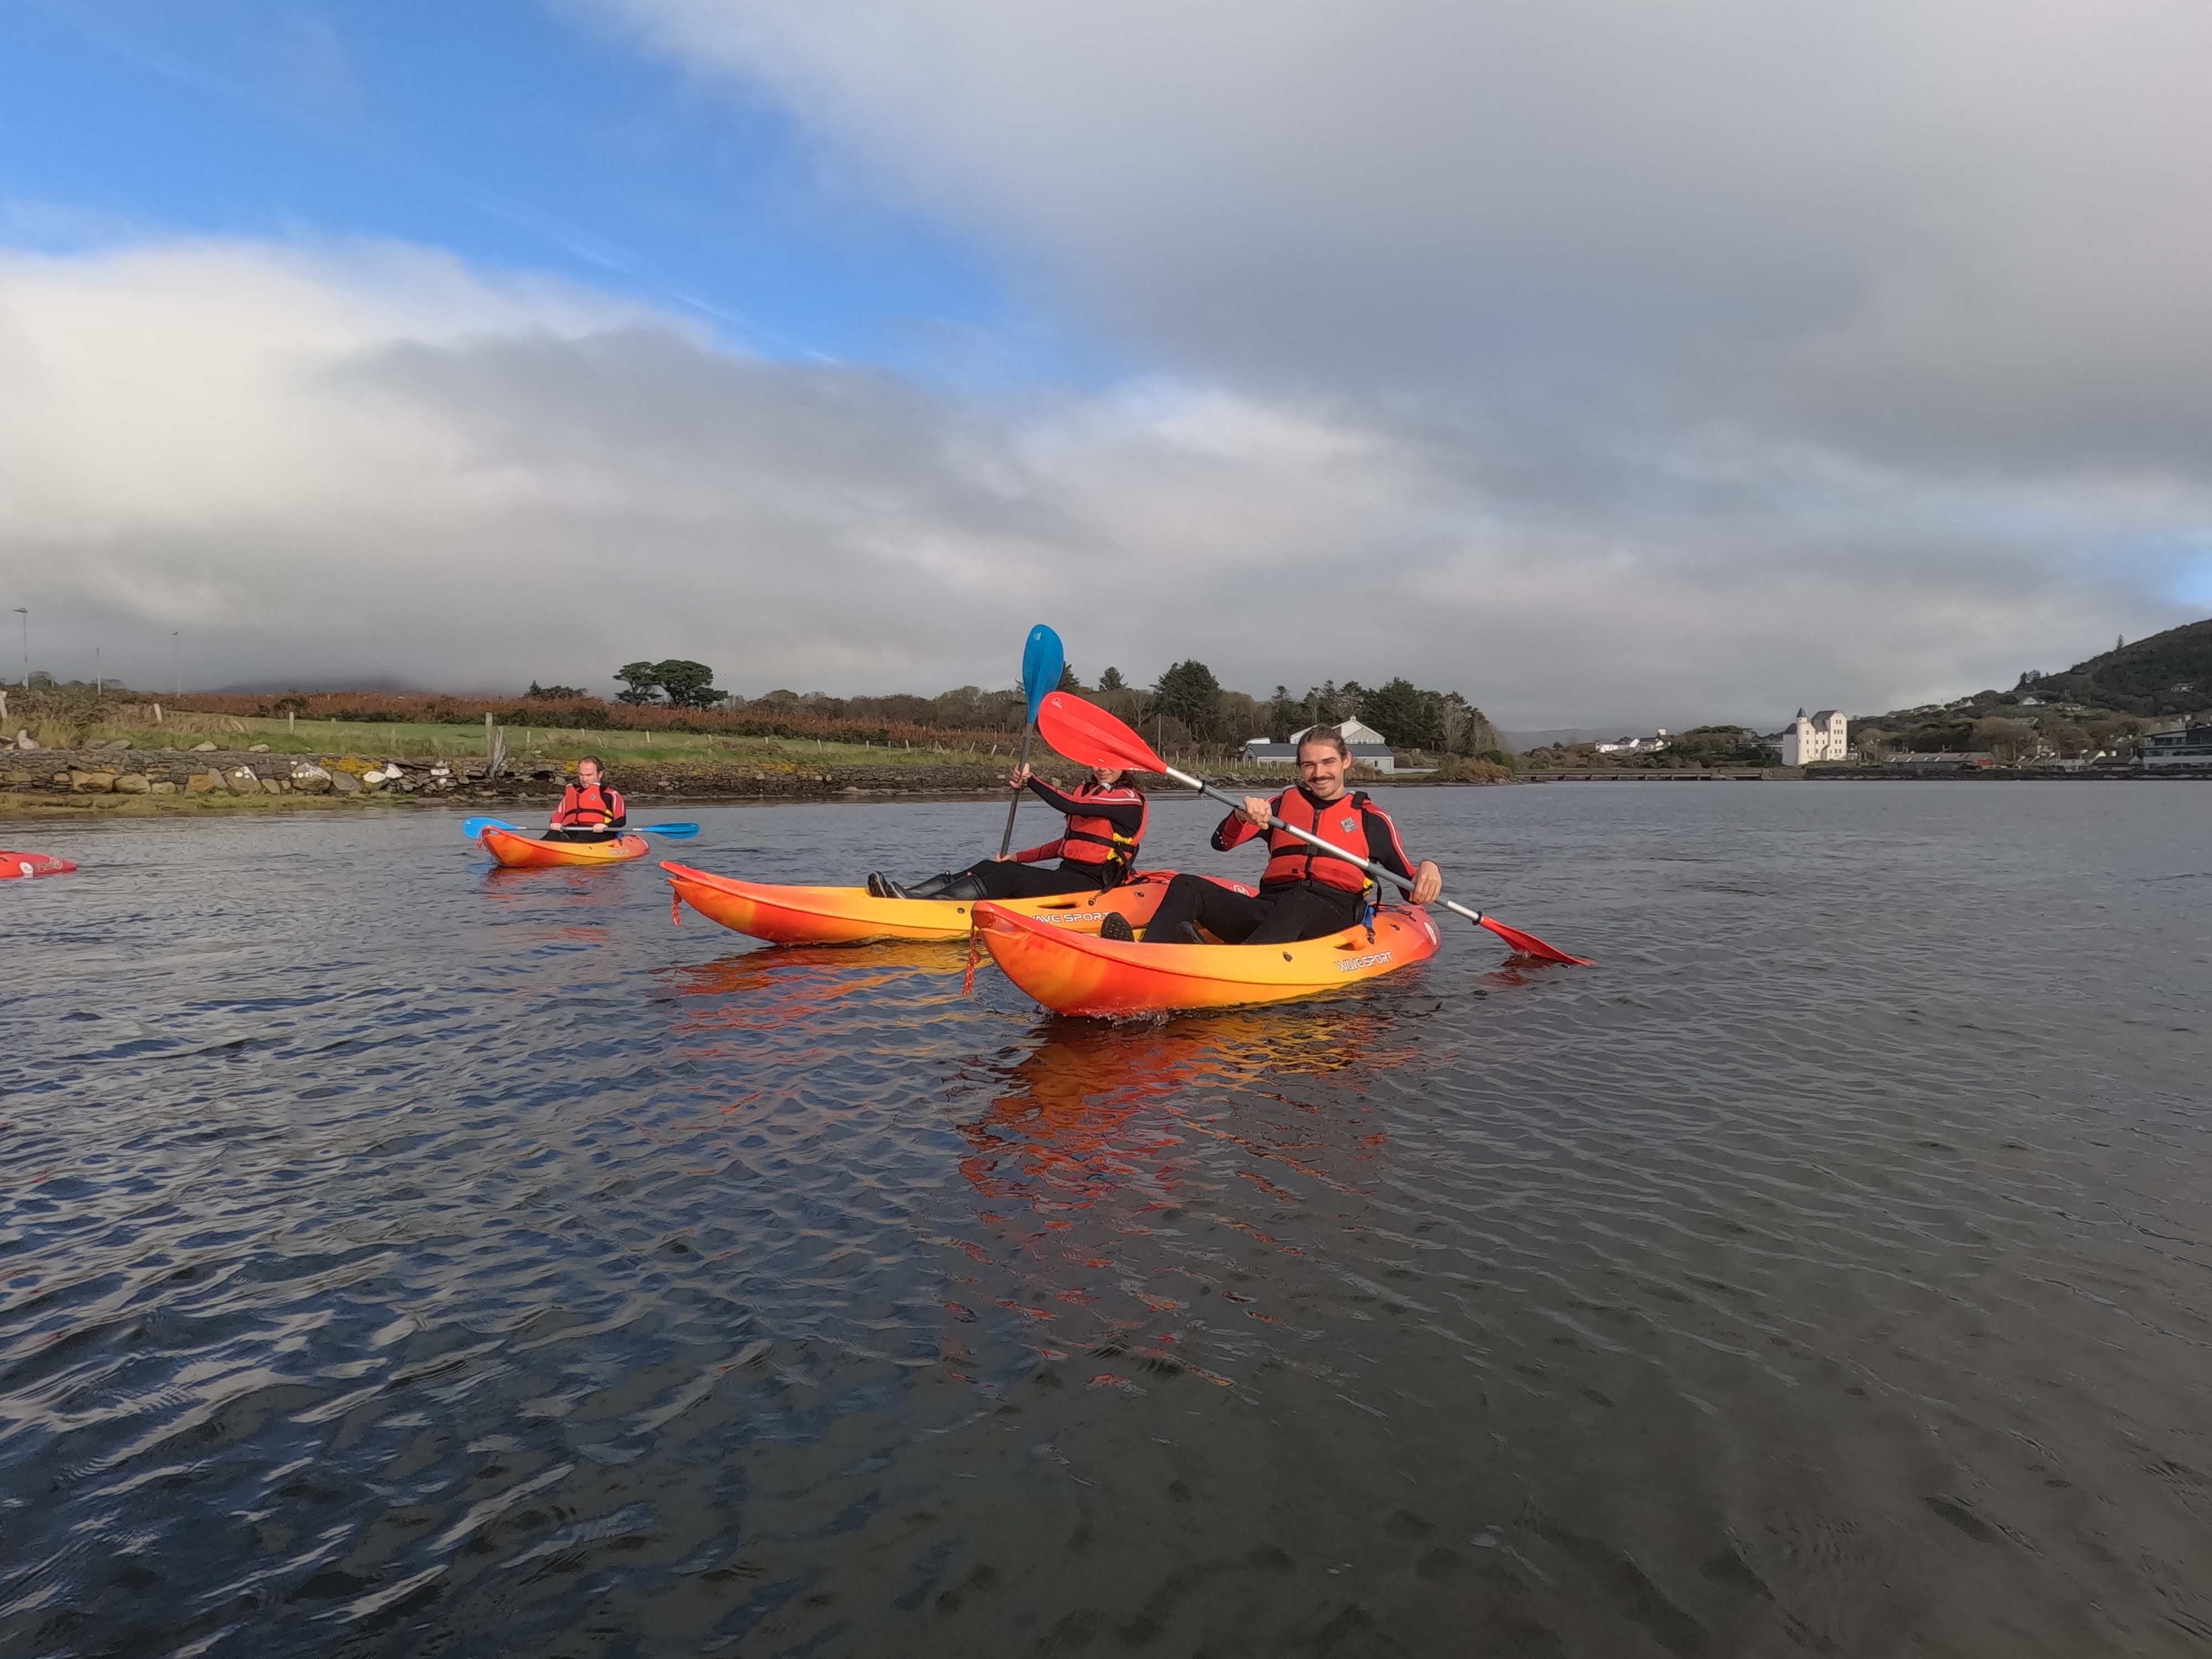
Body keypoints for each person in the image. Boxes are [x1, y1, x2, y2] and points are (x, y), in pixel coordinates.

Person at [1122, 726, 1440, 945]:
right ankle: (1145, 955)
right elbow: (1221, 844)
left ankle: (1238, 966)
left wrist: (1428, 867)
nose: (1319, 773)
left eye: (1328, 762)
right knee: (1186, 885)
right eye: (1309, 765)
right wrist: (1239, 816)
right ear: (1300, 769)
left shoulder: (1371, 818)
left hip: (1332, 913)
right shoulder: (1278, 806)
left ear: (1346, 761)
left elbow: (1412, 891)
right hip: (1271, 908)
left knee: (1300, 901)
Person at [869, 763, 1148, 901]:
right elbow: (1067, 844)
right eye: (1097, 762)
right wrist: (1017, 857)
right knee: (989, 866)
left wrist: (1031, 781)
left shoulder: (1127, 800)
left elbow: (1069, 803)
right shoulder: (1091, 792)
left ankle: (927, 908)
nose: (1102, 768)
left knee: (1008, 876)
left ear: (1125, 765)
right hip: (1067, 874)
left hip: (1094, 883)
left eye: (1110, 763)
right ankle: (910, 894)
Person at [546, 755, 628, 841]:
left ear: (600, 775)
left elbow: (621, 820)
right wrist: (555, 823)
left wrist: (606, 826)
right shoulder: (572, 795)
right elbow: (558, 814)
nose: (584, 779)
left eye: (589, 775)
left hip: (599, 832)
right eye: (581, 775)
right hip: (571, 831)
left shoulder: (611, 795)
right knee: (553, 834)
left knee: (584, 837)